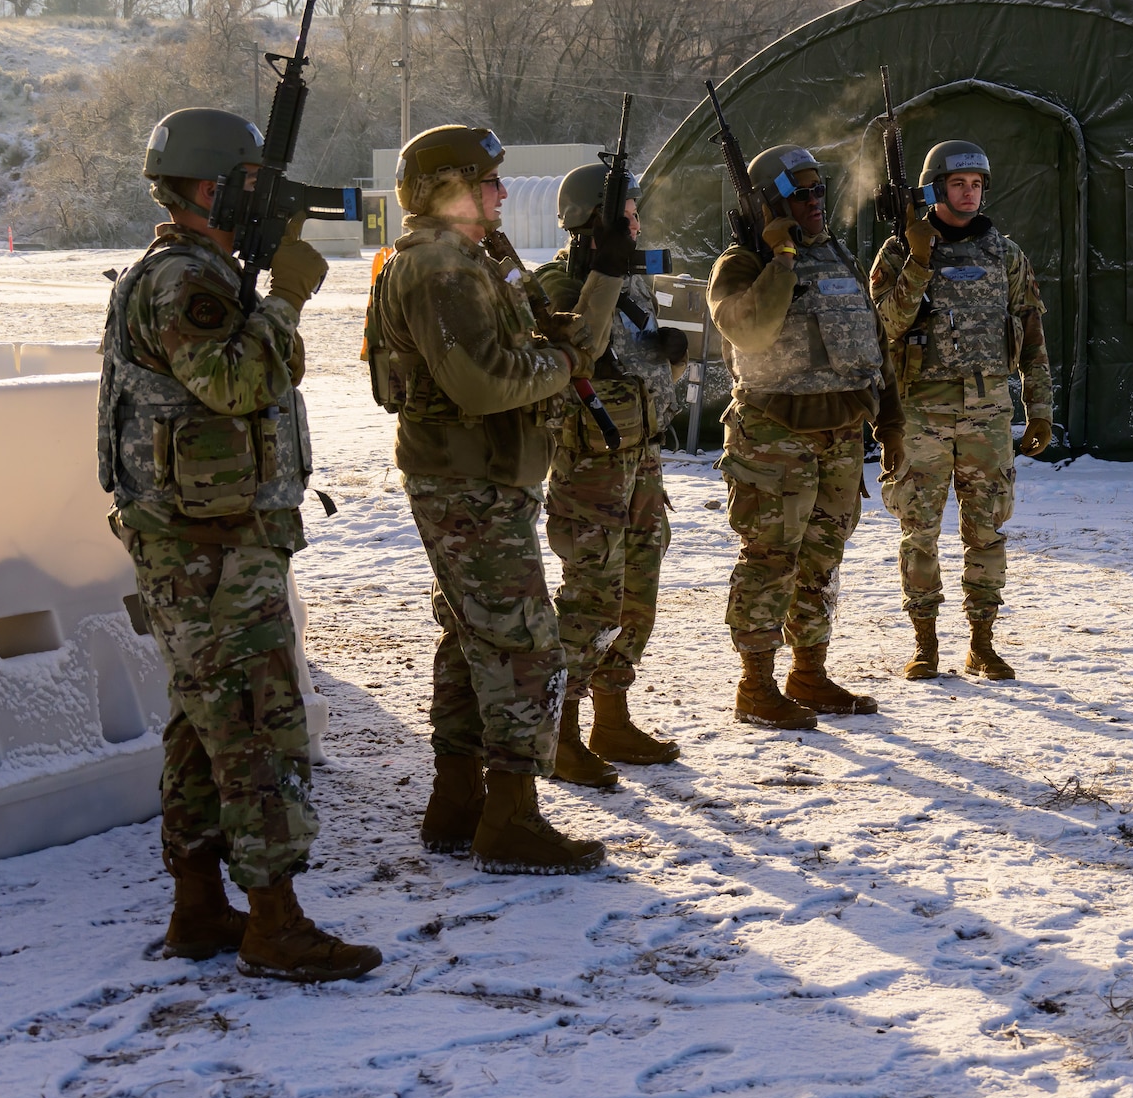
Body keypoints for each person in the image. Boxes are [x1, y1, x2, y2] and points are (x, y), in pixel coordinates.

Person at [101, 106, 380, 982]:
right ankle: (274, 920)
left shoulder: (200, 273)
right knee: (258, 721)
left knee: (202, 721)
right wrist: (289, 294)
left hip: (207, 542)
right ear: (210, 187)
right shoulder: (181, 279)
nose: (267, 202)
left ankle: (198, 905)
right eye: (253, 186)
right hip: (208, 548)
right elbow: (231, 379)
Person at [362, 124, 626, 872]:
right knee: (524, 645)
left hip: (481, 478)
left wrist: (603, 278)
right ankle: (510, 816)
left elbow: (552, 342)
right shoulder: (440, 268)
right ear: (449, 187)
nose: (504, 193)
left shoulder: (474, 260)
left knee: (472, 636)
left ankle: (457, 803)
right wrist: (559, 361)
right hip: (467, 480)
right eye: (489, 181)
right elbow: (482, 381)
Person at [707, 144, 905, 730]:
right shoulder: (742, 265)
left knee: (822, 560)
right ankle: (756, 685)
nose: (816, 202)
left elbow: (873, 344)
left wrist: (888, 422)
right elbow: (754, 328)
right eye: (801, 194)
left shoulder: (839, 257)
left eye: (820, 191)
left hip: (840, 436)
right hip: (775, 436)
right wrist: (782, 257)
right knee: (771, 560)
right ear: (770, 204)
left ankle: (809, 673)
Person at [869, 140, 1053, 681]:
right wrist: (920, 260)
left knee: (987, 531)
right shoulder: (898, 253)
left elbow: (1033, 335)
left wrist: (1039, 407)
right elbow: (882, 329)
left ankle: (982, 641)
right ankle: (924, 642)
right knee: (919, 531)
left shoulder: (1006, 254)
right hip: (920, 414)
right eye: (958, 184)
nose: (969, 193)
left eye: (976, 184)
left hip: (988, 414)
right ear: (933, 190)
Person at [532, 163, 686, 787]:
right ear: (588, 221)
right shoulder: (555, 284)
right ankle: (561, 731)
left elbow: (636, 361)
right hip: (590, 464)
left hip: (640, 455)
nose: (636, 222)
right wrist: (607, 271)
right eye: (623, 213)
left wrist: (667, 360)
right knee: (591, 597)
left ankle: (612, 715)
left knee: (638, 593)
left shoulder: (634, 281)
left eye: (634, 211)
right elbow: (581, 344)